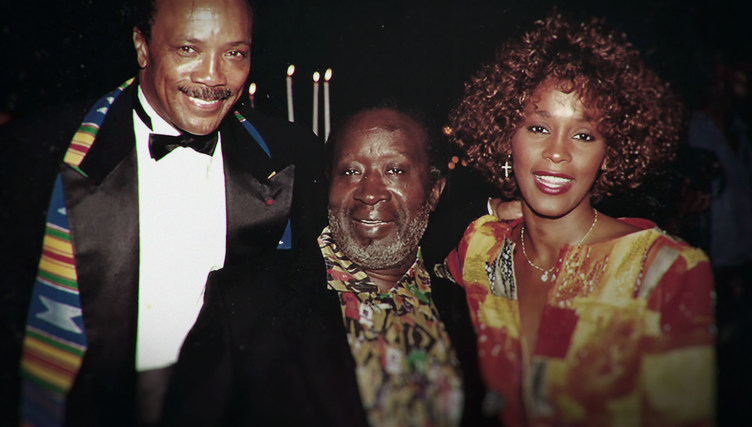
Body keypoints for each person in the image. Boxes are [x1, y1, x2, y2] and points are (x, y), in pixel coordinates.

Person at [18, 0, 326, 425]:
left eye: (234, 53)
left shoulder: (293, 154)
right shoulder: (40, 155)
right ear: (142, 47)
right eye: (188, 49)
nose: (213, 77)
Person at [439, 12, 715, 426]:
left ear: (611, 152)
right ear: (503, 135)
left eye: (584, 135)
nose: (557, 152)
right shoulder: (480, 247)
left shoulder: (665, 271)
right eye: (537, 128)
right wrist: (493, 207)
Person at [162, 107, 497, 426]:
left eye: (395, 170)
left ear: (434, 191)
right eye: (351, 171)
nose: (370, 192)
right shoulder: (247, 300)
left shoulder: (464, 307)